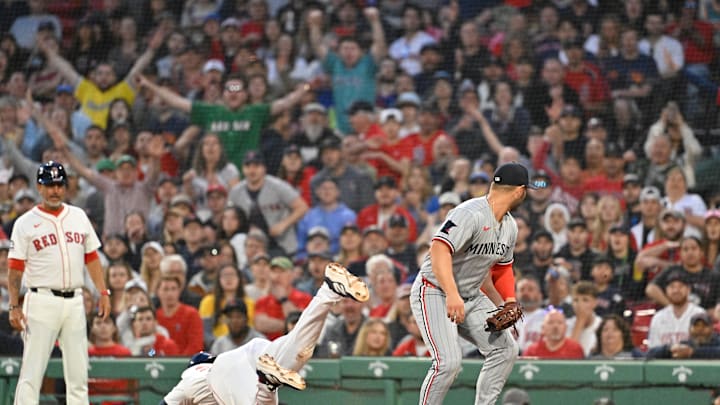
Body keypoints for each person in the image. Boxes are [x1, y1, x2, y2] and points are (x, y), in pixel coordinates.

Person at [411, 162, 538, 405]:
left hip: (470, 295)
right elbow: (439, 250)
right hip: (434, 291)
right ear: (520, 191)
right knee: (448, 363)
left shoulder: (510, 226)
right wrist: (451, 294)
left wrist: (508, 300)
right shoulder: (470, 213)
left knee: (505, 350)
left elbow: (502, 268)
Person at [161, 263, 369, 404]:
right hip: (255, 352)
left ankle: (267, 384)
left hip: (226, 373)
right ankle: (329, 290)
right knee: (298, 351)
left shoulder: (192, 378)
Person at [7, 161, 111, 405]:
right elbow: (15, 269)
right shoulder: (24, 223)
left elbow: (92, 257)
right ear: (39, 187)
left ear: (66, 187)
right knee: (31, 373)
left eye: (59, 185)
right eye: (49, 185)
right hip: (40, 300)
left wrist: (103, 292)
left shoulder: (78, 216)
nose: (55, 190)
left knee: (78, 375)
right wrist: (13, 305)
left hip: (75, 301)